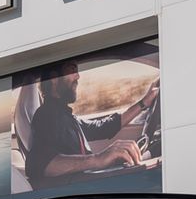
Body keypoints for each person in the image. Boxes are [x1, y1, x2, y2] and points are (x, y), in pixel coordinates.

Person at [23, 61, 159, 186]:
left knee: (152, 152)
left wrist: (143, 103)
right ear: (53, 78)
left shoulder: (65, 116)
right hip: (83, 190)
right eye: (72, 70)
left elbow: (104, 126)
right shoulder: (47, 115)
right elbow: (37, 164)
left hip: (89, 181)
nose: (78, 76)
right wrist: (98, 159)